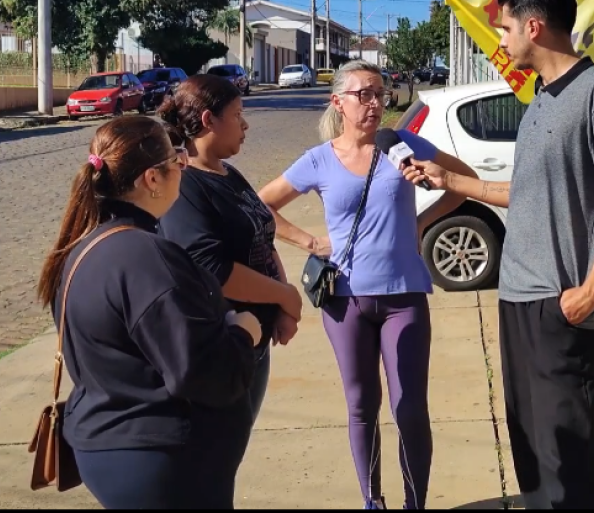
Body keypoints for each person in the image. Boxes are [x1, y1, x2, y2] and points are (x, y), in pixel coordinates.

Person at [402, 0, 594, 509]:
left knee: (570, 458)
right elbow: (528, 192)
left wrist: (592, 289)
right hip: (516, 298)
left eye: (506, 28)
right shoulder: (540, 99)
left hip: (563, 304)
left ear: (535, 26)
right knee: (532, 449)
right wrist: (451, 182)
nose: (501, 40)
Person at [257, 59, 474, 511]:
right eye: (364, 94)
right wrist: (310, 241)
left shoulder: (402, 144)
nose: (376, 103)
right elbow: (260, 205)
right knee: (361, 405)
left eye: (381, 93)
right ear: (339, 103)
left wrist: (423, 221)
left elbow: (461, 183)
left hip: (404, 296)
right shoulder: (318, 160)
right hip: (345, 300)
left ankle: (416, 502)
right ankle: (371, 501)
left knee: (410, 408)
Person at [36, 116, 262, 509]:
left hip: (113, 447)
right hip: (162, 462)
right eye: (176, 159)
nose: (183, 166)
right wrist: (244, 332)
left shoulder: (83, 248)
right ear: (151, 179)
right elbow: (200, 370)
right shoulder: (148, 259)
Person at [156, 75, 303, 440]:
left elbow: (262, 236)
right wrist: (283, 295)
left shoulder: (228, 173)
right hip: (222, 346)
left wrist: (281, 302)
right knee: (216, 458)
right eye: (237, 114)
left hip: (255, 340)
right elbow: (211, 268)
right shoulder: (186, 183)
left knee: (231, 451)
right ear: (208, 121)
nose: (245, 124)